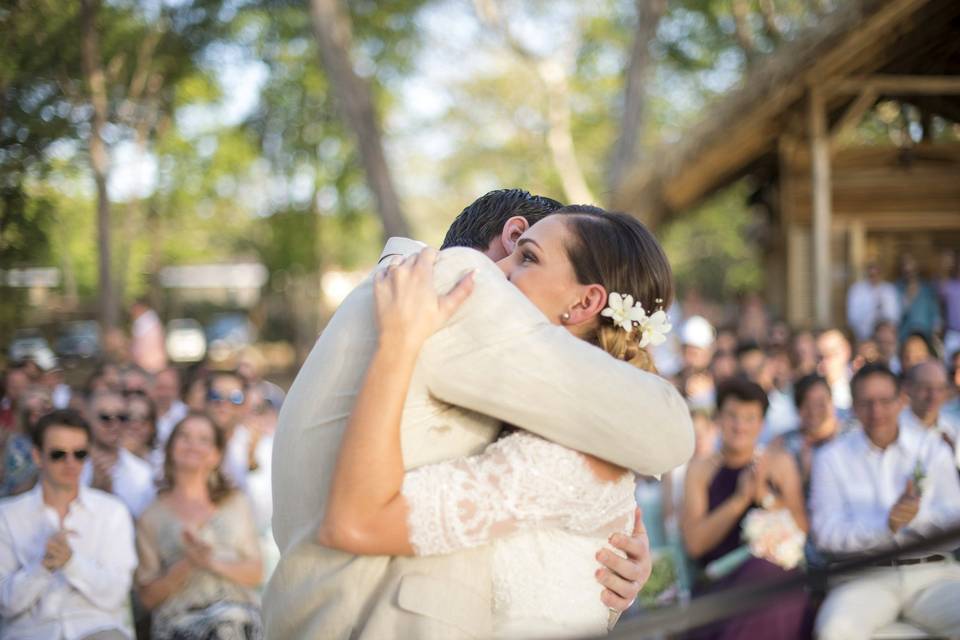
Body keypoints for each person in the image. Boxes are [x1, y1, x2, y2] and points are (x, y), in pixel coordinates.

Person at [263, 190, 694, 639]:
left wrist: (597, 546)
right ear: (511, 235)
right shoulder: (456, 287)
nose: (500, 277)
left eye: (530, 260)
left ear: (585, 303)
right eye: (521, 254)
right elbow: (666, 433)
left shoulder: (403, 289)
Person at [810, 363, 960, 640]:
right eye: (867, 403)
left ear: (901, 400)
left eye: (884, 401)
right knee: (834, 632)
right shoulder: (831, 459)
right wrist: (885, 526)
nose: (876, 412)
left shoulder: (930, 448)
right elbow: (825, 535)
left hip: (932, 574)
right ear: (854, 406)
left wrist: (915, 519)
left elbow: (955, 523)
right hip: (864, 578)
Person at [681, 378, 809, 640]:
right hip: (721, 582)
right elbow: (695, 544)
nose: (740, 426)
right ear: (719, 418)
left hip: (774, 577)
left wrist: (766, 498)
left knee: (768, 577)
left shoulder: (779, 462)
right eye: (732, 416)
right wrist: (739, 500)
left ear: (761, 424)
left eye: (750, 418)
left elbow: (802, 529)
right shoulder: (701, 469)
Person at [0, 409, 137, 639]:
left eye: (80, 454)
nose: (70, 462)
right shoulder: (7, 515)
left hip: (96, 630)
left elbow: (115, 593)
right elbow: (5, 604)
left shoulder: (112, 511)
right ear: (37, 456)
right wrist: (43, 567)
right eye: (58, 454)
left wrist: (71, 562)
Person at [136, 413, 263, 639]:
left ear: (216, 455)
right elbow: (147, 597)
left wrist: (210, 562)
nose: (193, 445)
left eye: (203, 439)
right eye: (184, 437)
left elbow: (256, 572)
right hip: (182, 621)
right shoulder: (150, 517)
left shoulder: (236, 503)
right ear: (170, 448)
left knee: (230, 625)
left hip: (238, 615)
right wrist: (187, 564)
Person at [81, 390, 155, 517]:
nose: (114, 424)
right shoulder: (67, 463)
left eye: (122, 418)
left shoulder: (143, 473)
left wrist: (109, 496)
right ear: (88, 419)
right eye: (105, 417)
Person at [768, 374, 843, 496]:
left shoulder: (852, 435)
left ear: (832, 402)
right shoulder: (783, 443)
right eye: (807, 404)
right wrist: (802, 475)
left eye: (820, 402)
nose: (814, 411)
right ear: (798, 408)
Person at [900, 360, 960, 466]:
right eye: (926, 388)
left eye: (940, 389)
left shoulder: (954, 428)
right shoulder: (894, 428)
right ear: (908, 388)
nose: (933, 396)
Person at [205, 371, 254, 491]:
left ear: (246, 404)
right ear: (205, 401)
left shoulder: (261, 445)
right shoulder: (188, 444)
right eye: (215, 396)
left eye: (235, 398)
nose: (223, 404)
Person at [0, 386, 51, 497]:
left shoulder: (63, 440)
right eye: (31, 413)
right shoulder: (17, 444)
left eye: (44, 410)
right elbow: (16, 487)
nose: (39, 416)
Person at [846, 261, 900, 343]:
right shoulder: (857, 289)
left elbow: (895, 315)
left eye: (877, 274)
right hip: (864, 335)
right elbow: (853, 316)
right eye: (871, 275)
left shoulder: (889, 290)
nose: (874, 278)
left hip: (885, 337)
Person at [896, 253, 941, 343]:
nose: (908, 271)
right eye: (905, 269)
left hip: (924, 334)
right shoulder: (897, 288)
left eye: (911, 269)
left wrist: (936, 330)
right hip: (904, 335)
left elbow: (935, 312)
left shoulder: (927, 288)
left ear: (916, 269)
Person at [121, 390, 163, 476]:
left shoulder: (162, 463)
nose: (135, 425)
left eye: (143, 418)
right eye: (128, 417)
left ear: (152, 427)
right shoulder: (103, 460)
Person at [816, 329, 853, 418]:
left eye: (829, 355)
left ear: (846, 352)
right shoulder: (811, 390)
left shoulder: (860, 385)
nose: (824, 363)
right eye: (819, 358)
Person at [151, 367, 188, 448]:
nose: (164, 393)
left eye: (170, 388)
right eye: (161, 387)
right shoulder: (144, 412)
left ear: (178, 390)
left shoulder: (186, 415)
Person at [130, 300, 167, 374]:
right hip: (153, 361)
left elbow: (141, 344)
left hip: (147, 362)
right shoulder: (153, 320)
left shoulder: (144, 322)